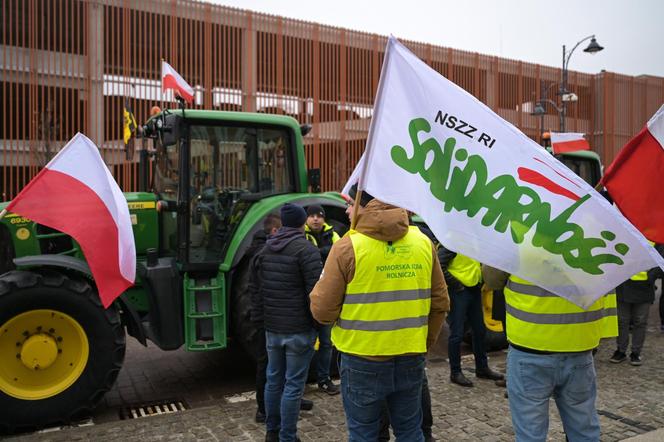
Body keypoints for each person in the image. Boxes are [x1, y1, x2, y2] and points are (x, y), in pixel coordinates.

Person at [310, 187, 450, 441]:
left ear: (366, 205)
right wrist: (422, 343)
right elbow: (440, 303)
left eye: (351, 203)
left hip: (362, 359)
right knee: (410, 431)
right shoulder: (423, 243)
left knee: (364, 434)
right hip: (410, 356)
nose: (346, 209)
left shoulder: (347, 247)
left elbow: (322, 312)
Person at [482, 265, 617, 441]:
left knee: (530, 433)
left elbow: (492, 280)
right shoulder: (600, 238)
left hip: (530, 346)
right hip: (579, 347)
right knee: (583, 430)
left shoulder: (518, 237)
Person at [250, 203, 323, 442]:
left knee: (274, 379)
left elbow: (256, 290)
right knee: (293, 385)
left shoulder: (264, 250)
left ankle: (272, 432)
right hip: (299, 328)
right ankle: (288, 437)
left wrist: (261, 321)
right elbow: (316, 292)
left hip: (272, 329)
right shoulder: (306, 251)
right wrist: (317, 324)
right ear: (302, 223)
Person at [439, 245, 504, 387]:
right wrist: (457, 285)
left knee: (479, 330)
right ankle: (455, 372)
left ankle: (482, 368)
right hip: (459, 292)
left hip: (474, 289)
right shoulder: (451, 243)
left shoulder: (471, 241)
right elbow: (440, 265)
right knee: (456, 333)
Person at [304, 204, 341, 395]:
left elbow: (341, 255)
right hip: (307, 297)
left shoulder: (333, 235)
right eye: (312, 216)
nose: (316, 219)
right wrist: (325, 252)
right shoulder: (302, 235)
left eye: (319, 216)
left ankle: (324, 379)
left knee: (326, 342)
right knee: (306, 341)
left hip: (326, 294)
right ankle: (300, 381)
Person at [610, 243, 661, 366]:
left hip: (644, 289)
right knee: (622, 321)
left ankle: (636, 352)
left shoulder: (654, 240)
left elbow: (660, 260)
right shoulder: (623, 233)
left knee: (640, 321)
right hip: (624, 287)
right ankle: (620, 351)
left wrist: (650, 277)